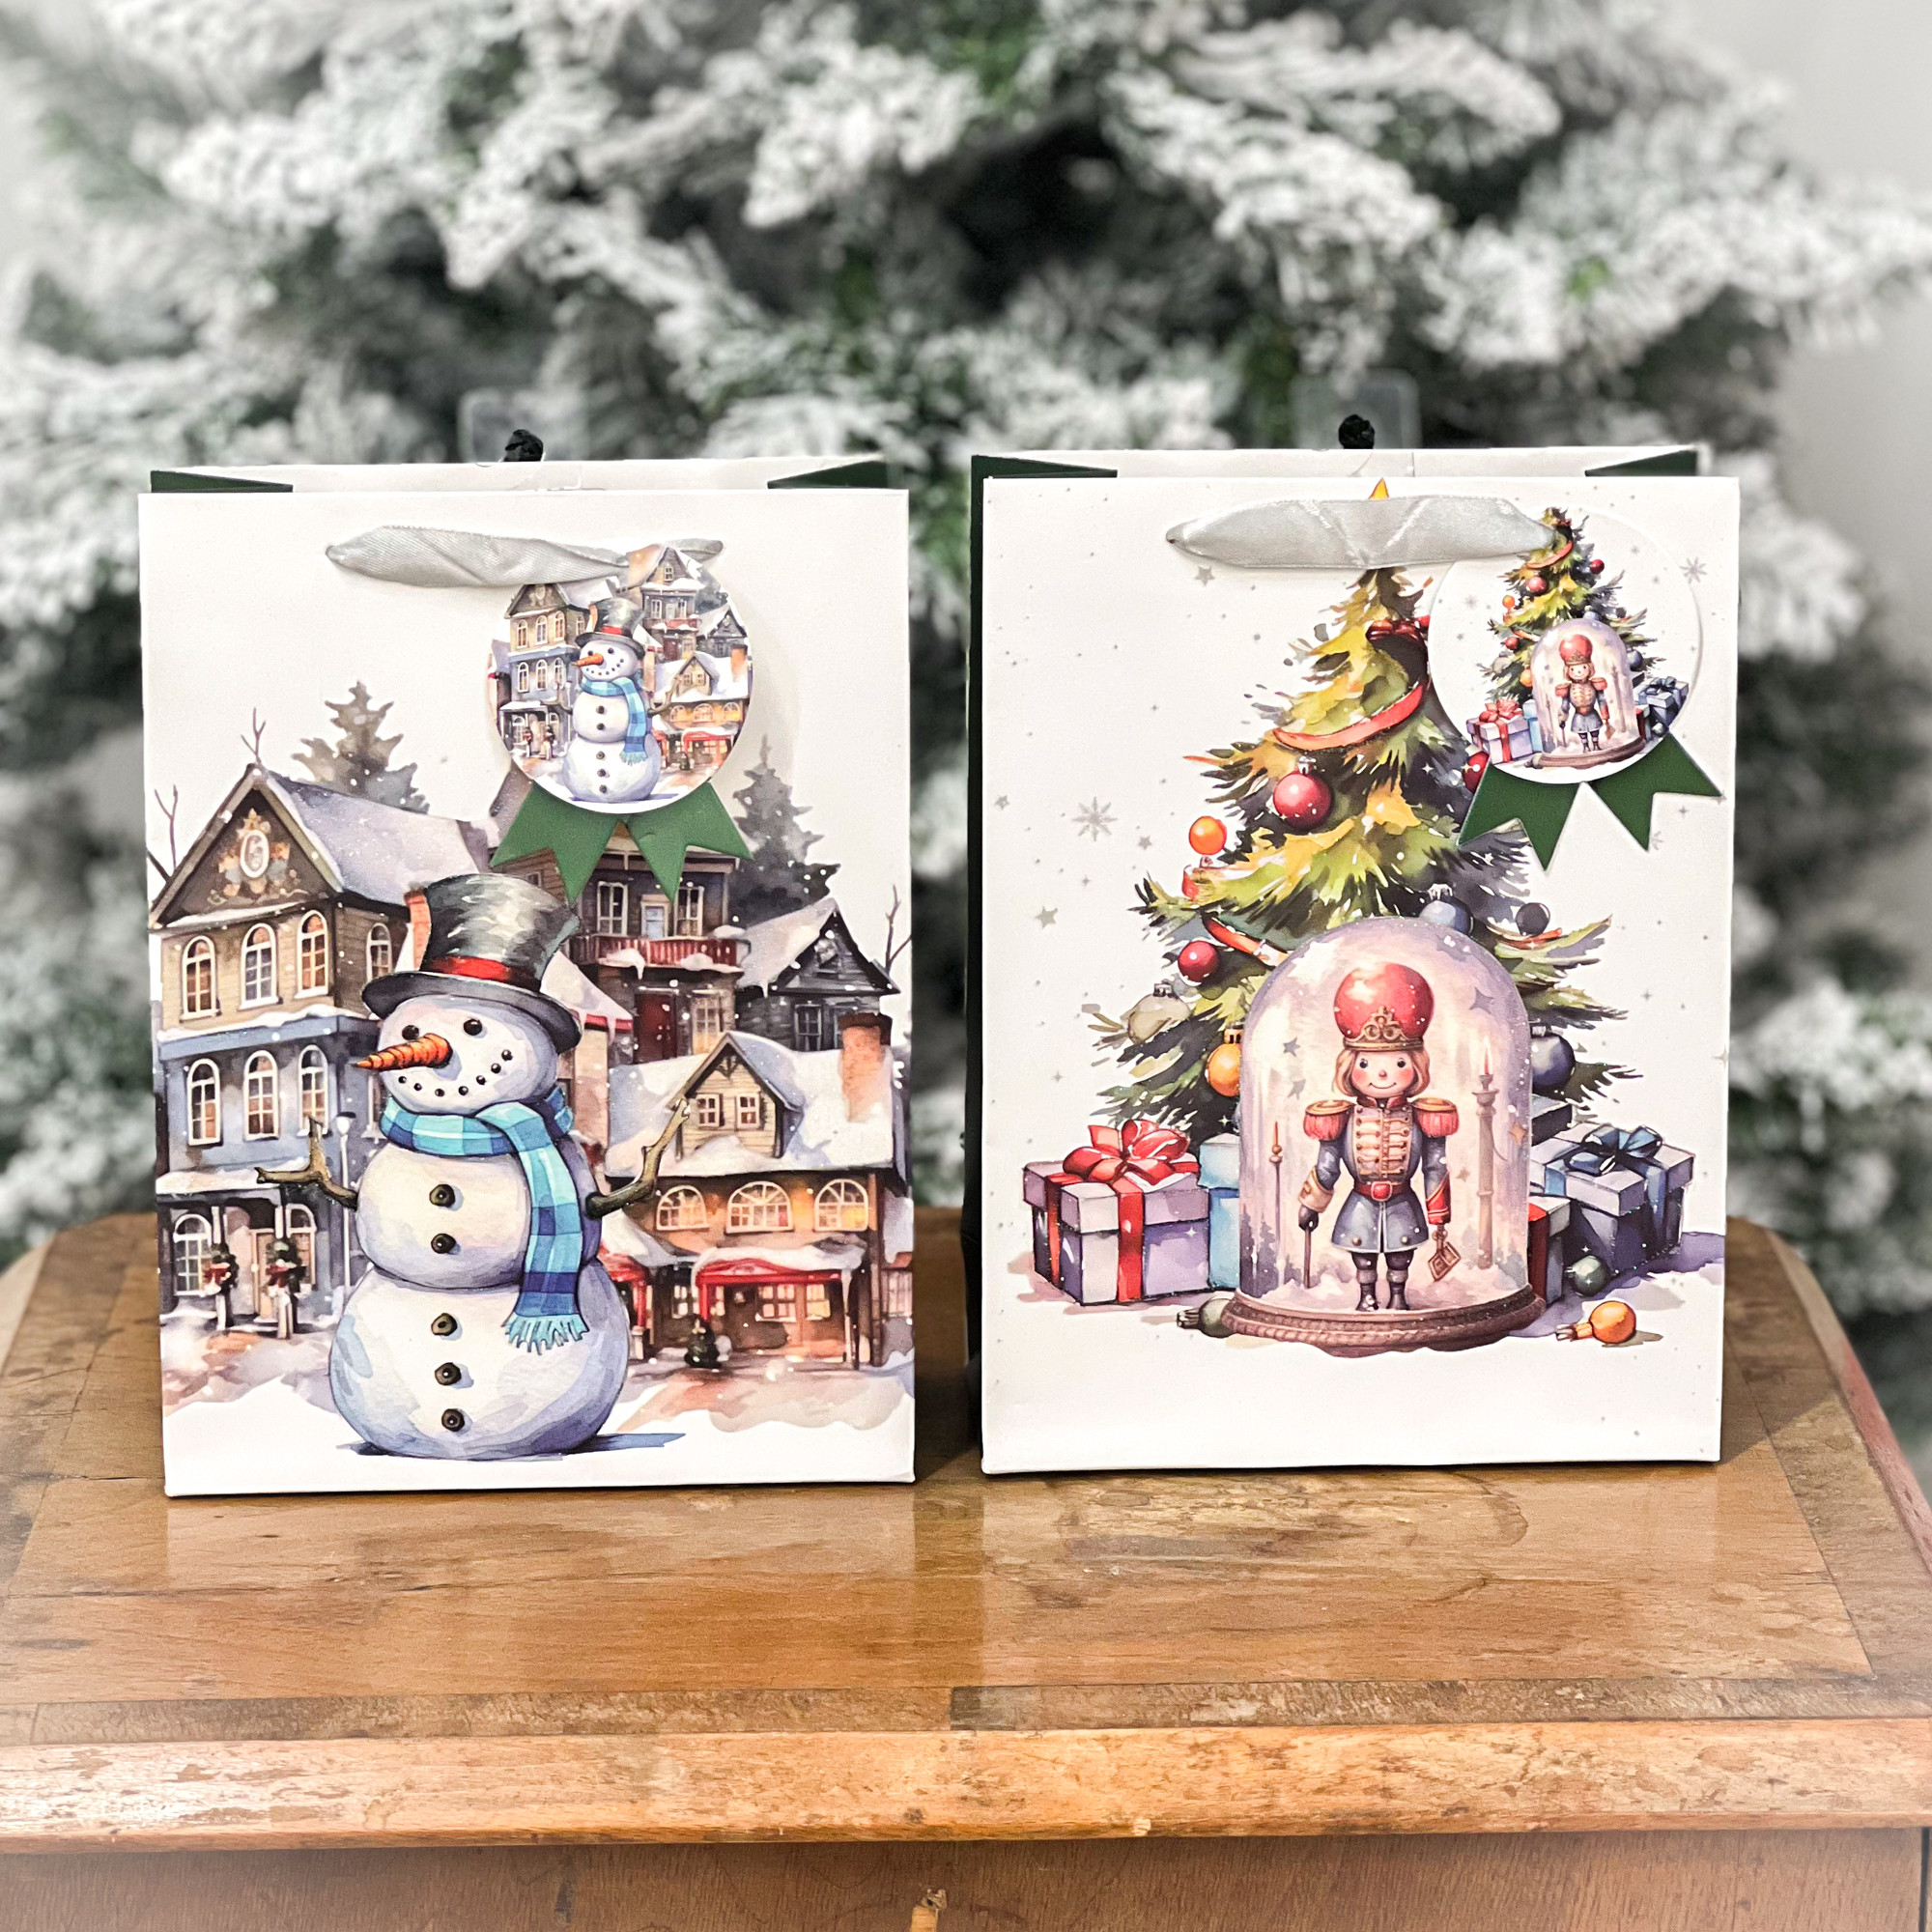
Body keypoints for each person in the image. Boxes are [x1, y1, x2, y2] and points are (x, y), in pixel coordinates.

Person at [1298, 961, 1459, 1312]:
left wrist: (1439, 1213)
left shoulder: (1425, 1117)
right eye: (1366, 1064)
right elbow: (1327, 1167)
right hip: (1361, 1203)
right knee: (1364, 1254)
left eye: (1399, 1063)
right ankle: (1367, 1296)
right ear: (1349, 1067)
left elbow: (1434, 1166)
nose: (1382, 1073)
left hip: (1403, 1202)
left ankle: (1399, 1297)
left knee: (1401, 1254)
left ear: (1416, 1067)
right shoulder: (1340, 1118)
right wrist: (1311, 1204)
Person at [263, 1237, 306, 1341]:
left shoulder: (283, 1267)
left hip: (283, 1289)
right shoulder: (287, 1267)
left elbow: (275, 1277)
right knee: (284, 1311)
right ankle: (285, 1332)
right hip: (284, 1289)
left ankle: (284, 1332)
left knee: (283, 1311)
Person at [201, 1241, 239, 1333]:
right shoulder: (228, 1260)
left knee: (222, 1303)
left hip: (222, 1284)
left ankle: (224, 1322)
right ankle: (226, 1321)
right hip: (225, 1284)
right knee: (224, 1302)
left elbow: (229, 1271)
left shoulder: (224, 1261)